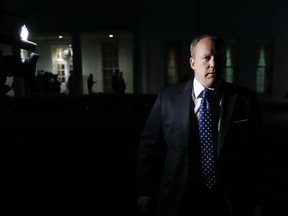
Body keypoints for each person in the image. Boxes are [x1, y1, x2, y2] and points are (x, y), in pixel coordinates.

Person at [136, 33, 266, 216]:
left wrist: (256, 200)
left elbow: (256, 153)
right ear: (192, 63)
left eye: (219, 58)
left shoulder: (245, 101)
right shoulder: (168, 98)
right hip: (179, 195)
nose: (213, 64)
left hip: (227, 196)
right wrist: (144, 191)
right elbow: (149, 148)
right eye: (206, 58)